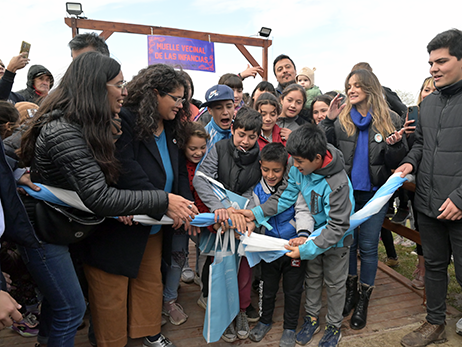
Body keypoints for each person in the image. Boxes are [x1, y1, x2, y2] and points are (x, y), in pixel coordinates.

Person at [18, 52, 196, 347]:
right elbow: (100, 193)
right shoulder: (70, 128)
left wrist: (174, 203)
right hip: (65, 228)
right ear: (95, 87)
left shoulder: (93, 122)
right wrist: (161, 201)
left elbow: (176, 173)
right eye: (118, 83)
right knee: (76, 306)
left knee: (80, 302)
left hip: (108, 220)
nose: (124, 91)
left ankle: (145, 332)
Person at [239, 124, 354, 347]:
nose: (294, 165)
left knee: (334, 284)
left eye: (299, 162)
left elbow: (338, 226)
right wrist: (256, 212)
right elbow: (285, 197)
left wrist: (306, 248)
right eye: (293, 160)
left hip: (335, 241)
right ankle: (311, 320)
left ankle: (333, 326)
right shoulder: (297, 165)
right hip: (309, 239)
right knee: (312, 279)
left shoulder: (337, 183)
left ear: (318, 158)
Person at [320, 68, 407, 331]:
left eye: (357, 85)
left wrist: (395, 146)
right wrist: (327, 121)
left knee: (368, 247)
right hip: (346, 194)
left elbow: (395, 162)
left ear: (370, 87)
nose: (351, 90)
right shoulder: (341, 118)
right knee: (348, 245)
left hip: (374, 195)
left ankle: (363, 300)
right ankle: (350, 293)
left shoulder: (389, 118)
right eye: (349, 85)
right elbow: (324, 151)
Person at [397, 28, 462, 347]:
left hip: (460, 208)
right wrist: (409, 163)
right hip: (428, 204)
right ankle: (434, 324)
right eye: (430, 63)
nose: (433, 68)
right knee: (434, 267)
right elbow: (420, 145)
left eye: (441, 61)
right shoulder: (429, 104)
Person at [193, 107, 261, 343]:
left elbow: (259, 189)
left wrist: (249, 213)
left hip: (245, 223)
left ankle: (241, 311)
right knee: (221, 269)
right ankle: (223, 316)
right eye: (241, 134)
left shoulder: (261, 156)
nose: (246, 141)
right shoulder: (219, 149)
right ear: (232, 129)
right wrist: (220, 207)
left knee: (244, 272)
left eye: (252, 136)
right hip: (222, 222)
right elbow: (200, 179)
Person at [248, 142, 314, 346]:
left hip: (292, 248)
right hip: (268, 250)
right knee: (266, 288)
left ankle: (289, 328)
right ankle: (264, 321)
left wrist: (302, 234)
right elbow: (253, 216)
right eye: (266, 169)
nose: (271, 175)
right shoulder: (256, 190)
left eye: (276, 170)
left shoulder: (295, 187)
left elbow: (303, 211)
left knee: (293, 290)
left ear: (286, 168)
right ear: (260, 166)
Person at [201, 84, 235, 155]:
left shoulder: (241, 130)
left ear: (234, 107)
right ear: (209, 110)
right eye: (219, 108)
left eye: (229, 107)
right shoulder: (205, 137)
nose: (225, 112)